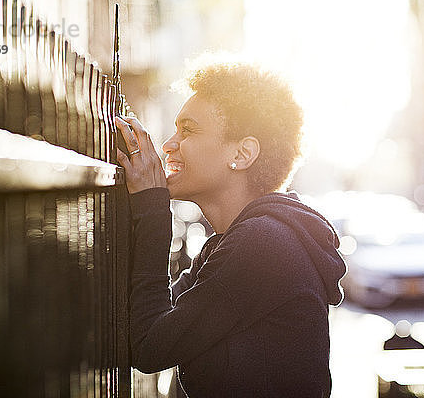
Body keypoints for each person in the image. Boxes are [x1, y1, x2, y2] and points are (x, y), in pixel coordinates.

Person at [115, 58, 347, 398]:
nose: (169, 144)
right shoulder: (230, 244)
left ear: (242, 153)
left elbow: (150, 346)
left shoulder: (266, 245)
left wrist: (152, 210)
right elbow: (146, 315)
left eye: (188, 130)